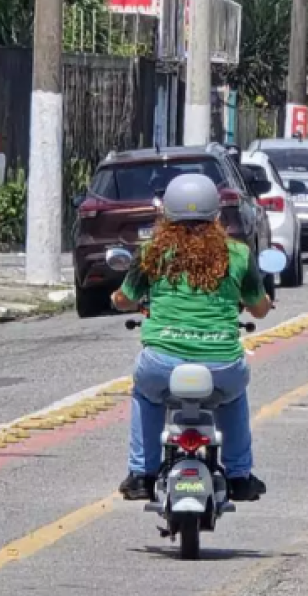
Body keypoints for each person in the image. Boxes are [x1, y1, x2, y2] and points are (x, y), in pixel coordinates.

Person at [112, 174, 272, 504]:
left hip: (162, 364)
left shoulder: (152, 252)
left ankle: (142, 473)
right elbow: (259, 309)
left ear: (165, 215)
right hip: (221, 364)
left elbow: (126, 300)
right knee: (233, 395)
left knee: (146, 394)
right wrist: (262, 302)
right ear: (217, 215)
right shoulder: (238, 255)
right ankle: (240, 475)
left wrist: (119, 299)